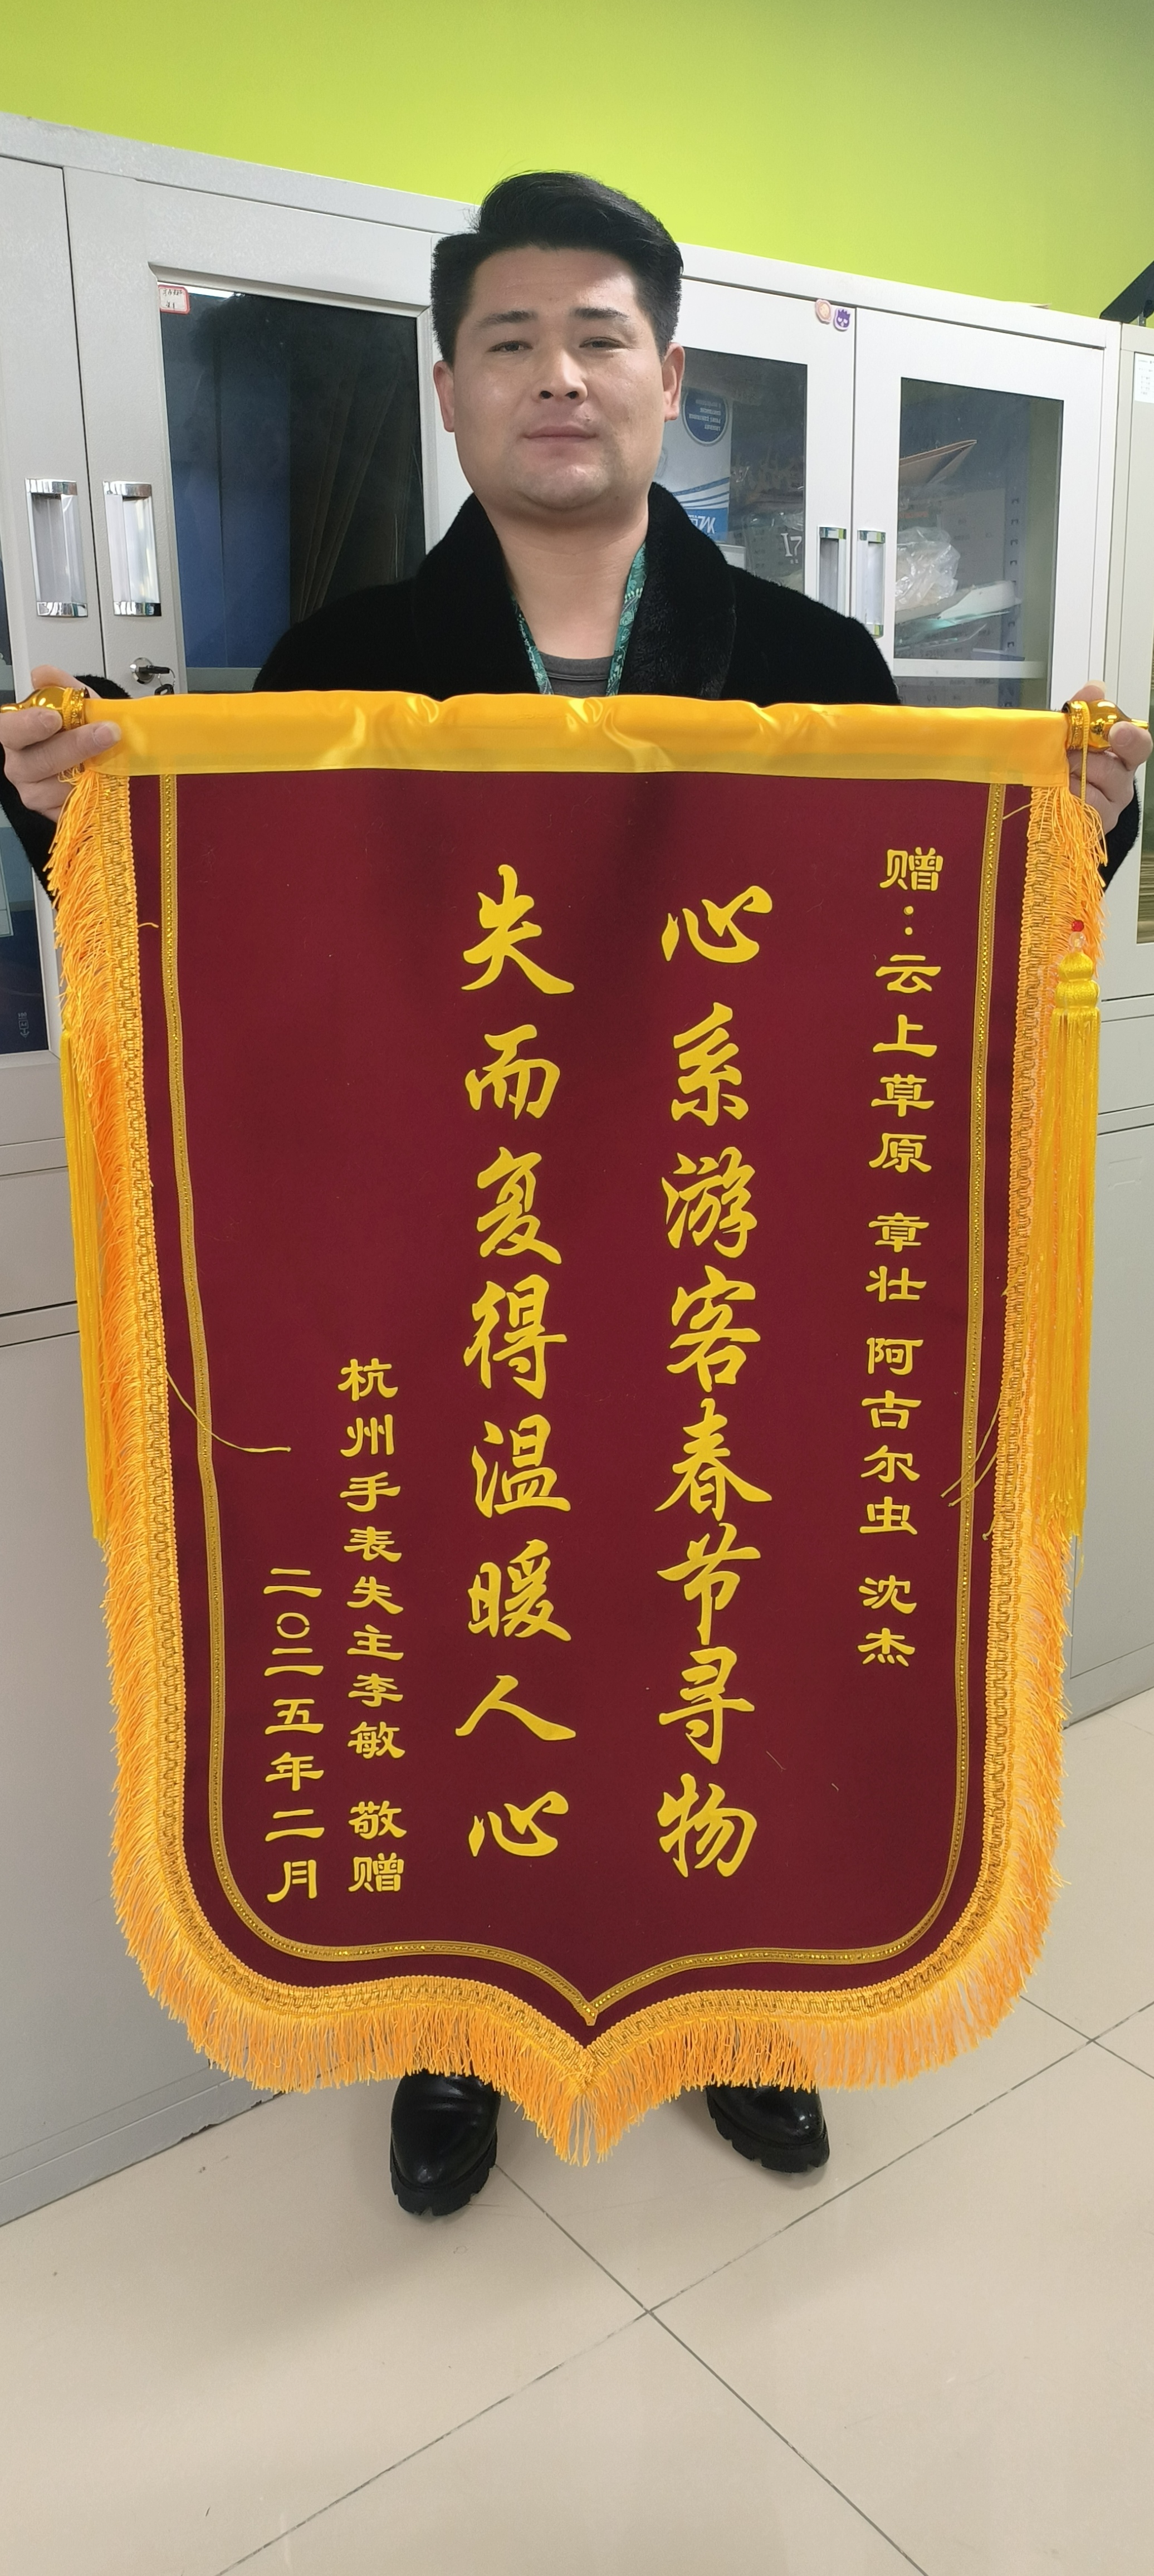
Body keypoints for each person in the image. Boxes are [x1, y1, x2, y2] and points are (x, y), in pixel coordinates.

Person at [2, 173, 1149, 2219]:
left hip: (731, 1264)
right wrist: (76, 823)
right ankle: (457, 2030)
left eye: (600, 336)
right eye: (510, 341)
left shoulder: (812, 658)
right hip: (460, 1279)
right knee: (476, 1637)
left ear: (669, 379)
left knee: (730, 1625)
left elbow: (925, 959)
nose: (559, 376)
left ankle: (752, 2009)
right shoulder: (345, 661)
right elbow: (241, 967)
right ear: (449, 392)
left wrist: (1074, 830)